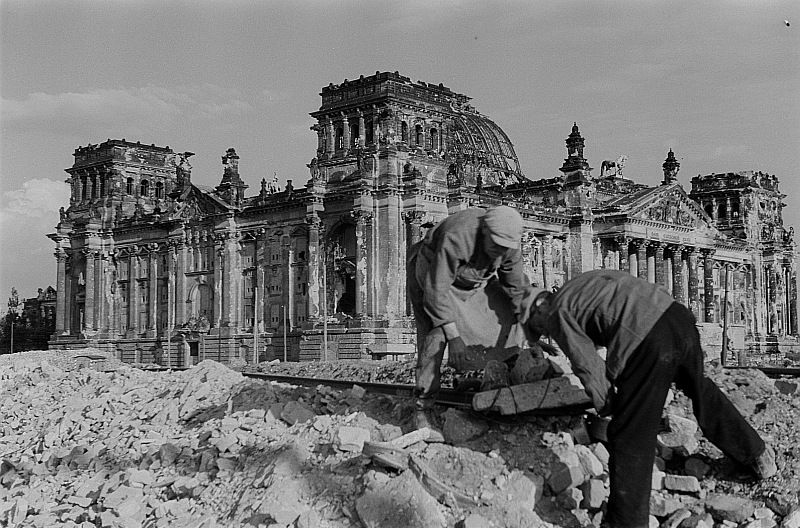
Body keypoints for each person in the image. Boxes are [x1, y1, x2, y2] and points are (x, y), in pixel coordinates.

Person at [524, 269, 777, 528]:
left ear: (540, 307)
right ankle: (756, 455)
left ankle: (626, 523)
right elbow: (618, 305)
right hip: (678, 319)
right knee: (701, 389)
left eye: (538, 327)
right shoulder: (581, 285)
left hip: (647, 339)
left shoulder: (557, 311)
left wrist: (608, 405)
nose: (546, 333)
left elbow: (586, 364)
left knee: (629, 434)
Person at [407, 206, 530, 434]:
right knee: (437, 333)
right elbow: (437, 292)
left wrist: (531, 330)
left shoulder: (509, 245)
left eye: (505, 249)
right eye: (496, 245)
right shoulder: (459, 235)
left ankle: (497, 383)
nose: (500, 252)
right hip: (433, 274)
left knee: (507, 312)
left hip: (472, 282)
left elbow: (517, 289)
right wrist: (455, 339)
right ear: (484, 232)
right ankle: (423, 406)